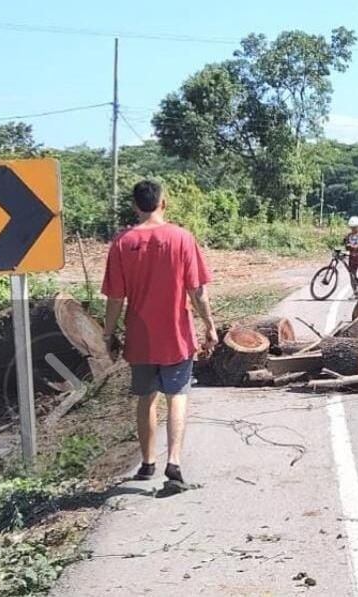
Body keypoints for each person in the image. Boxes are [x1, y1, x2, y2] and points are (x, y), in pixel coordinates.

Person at [102, 180, 217, 486]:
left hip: (140, 337)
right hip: (176, 336)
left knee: (146, 398)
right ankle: (174, 461)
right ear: (163, 203)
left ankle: (147, 463)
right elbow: (197, 290)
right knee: (177, 395)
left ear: (135, 206)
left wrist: (108, 334)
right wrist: (209, 325)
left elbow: (115, 298)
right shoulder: (182, 238)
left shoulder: (122, 243)